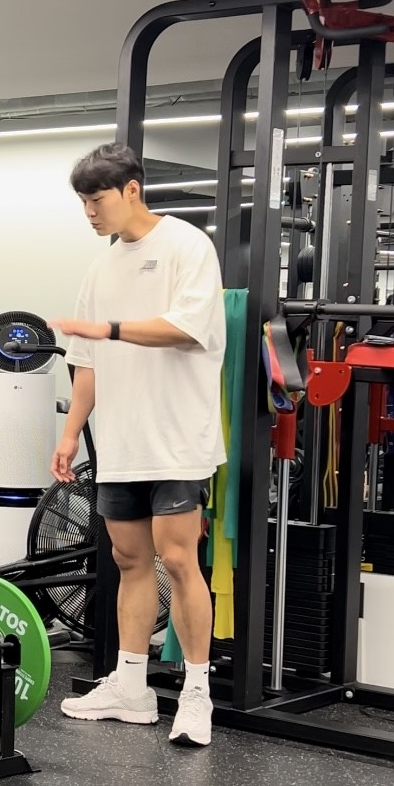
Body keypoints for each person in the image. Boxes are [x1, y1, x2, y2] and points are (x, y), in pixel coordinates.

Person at [52, 143, 226, 747]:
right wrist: (71, 434)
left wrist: (110, 328)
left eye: (96, 200)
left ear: (131, 190)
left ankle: (197, 693)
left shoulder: (186, 246)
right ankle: (131, 687)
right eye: (83, 203)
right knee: (129, 561)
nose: (89, 213)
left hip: (177, 439)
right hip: (122, 441)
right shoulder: (101, 269)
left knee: (178, 561)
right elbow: (88, 362)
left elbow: (185, 328)